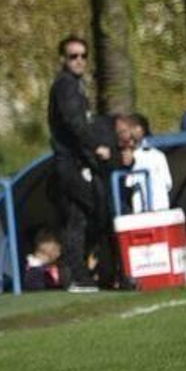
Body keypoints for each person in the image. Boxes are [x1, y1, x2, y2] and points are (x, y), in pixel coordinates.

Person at [48, 36, 111, 292]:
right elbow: (75, 122)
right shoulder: (66, 85)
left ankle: (77, 271)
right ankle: (77, 274)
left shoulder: (76, 85)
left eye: (83, 56)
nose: (80, 61)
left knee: (83, 215)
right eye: (74, 56)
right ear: (63, 59)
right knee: (82, 216)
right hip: (70, 162)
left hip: (75, 161)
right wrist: (96, 147)